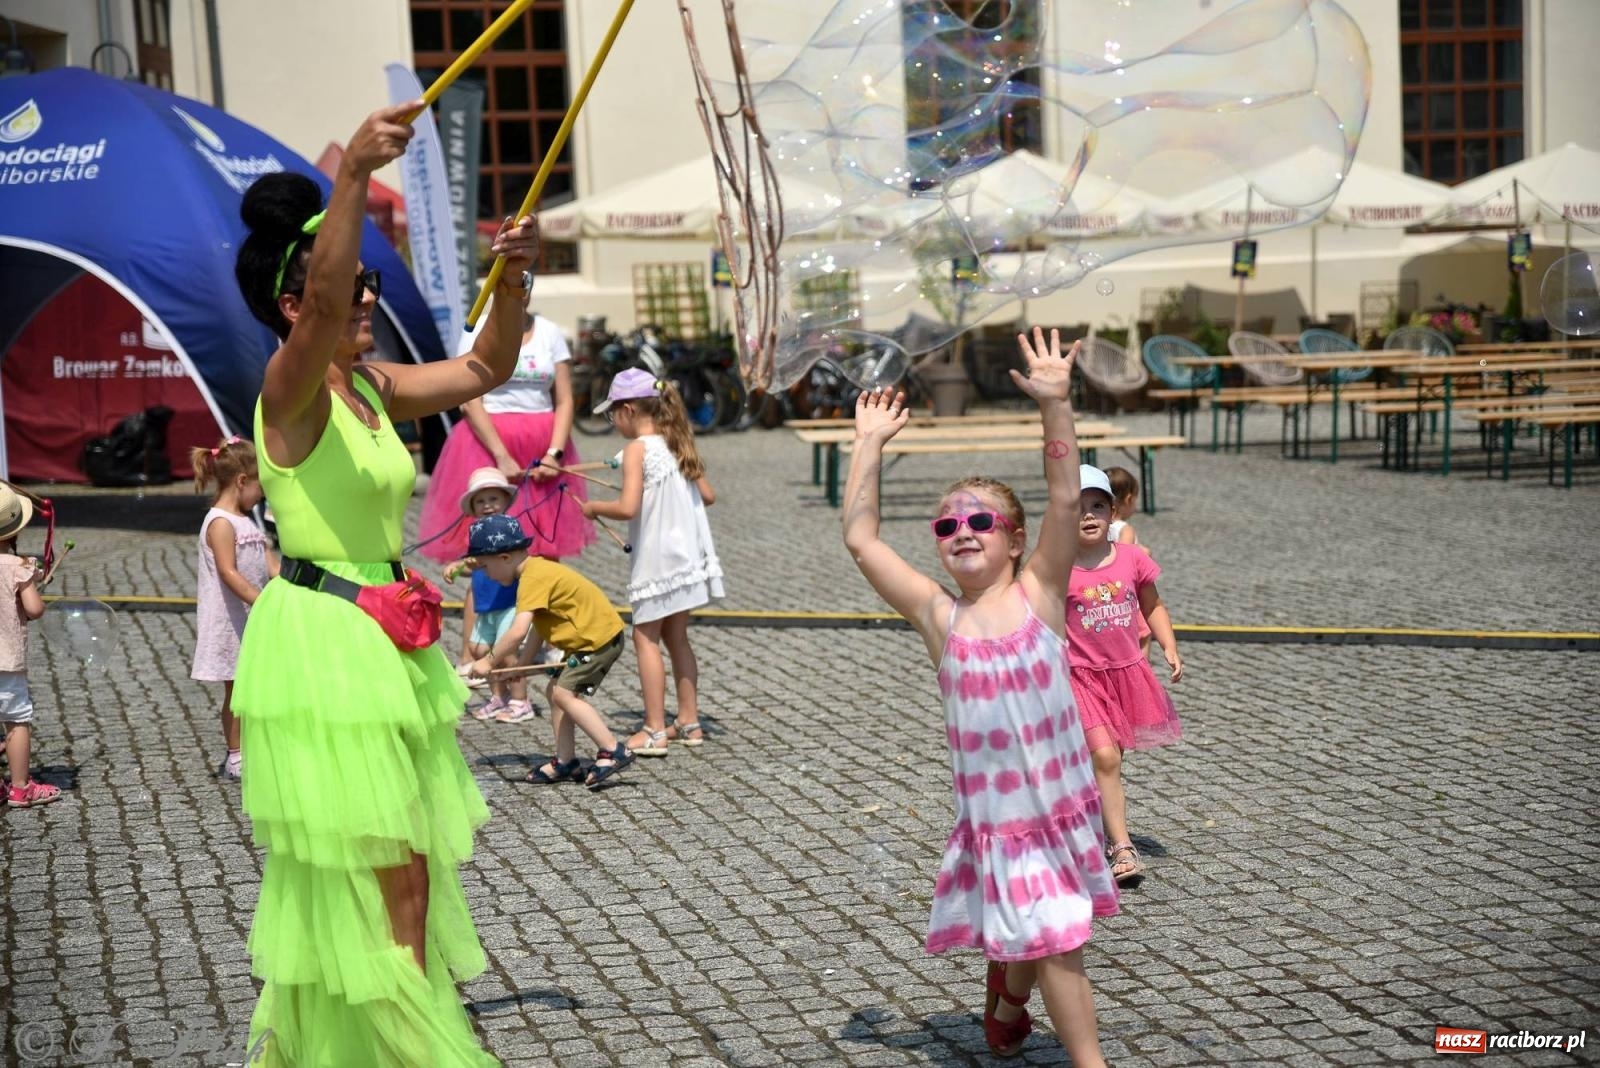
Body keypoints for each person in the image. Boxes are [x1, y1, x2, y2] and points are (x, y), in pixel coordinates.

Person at [229, 101, 539, 1066]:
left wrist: (515, 276)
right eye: (348, 284)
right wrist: (354, 176)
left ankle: (373, 1038)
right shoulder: (287, 390)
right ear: (294, 303)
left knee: (406, 873)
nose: (364, 298)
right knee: (378, 871)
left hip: (386, 638)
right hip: (325, 645)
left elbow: (489, 361)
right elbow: (325, 310)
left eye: (369, 284)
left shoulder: (372, 386)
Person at [841, 329, 1116, 1065]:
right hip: (1000, 822)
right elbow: (862, 540)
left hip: (1059, 807)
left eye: (980, 521)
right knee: (1055, 936)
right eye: (947, 525)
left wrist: (1056, 405)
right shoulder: (940, 616)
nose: (962, 531)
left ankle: (1006, 1002)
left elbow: (1064, 496)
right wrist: (869, 442)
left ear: (1017, 540)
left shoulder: (1041, 595)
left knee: (1042, 933)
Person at [581, 369, 722, 757]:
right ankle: (689, 722)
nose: (614, 423)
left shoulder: (637, 450)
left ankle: (655, 729)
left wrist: (594, 508)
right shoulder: (677, 442)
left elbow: (627, 508)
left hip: (658, 560)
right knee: (677, 638)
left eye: (613, 415)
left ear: (627, 410)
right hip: (687, 557)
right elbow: (707, 495)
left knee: (646, 638)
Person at [1067, 464, 1184, 886]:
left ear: (1112, 511)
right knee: (1105, 756)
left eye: (1097, 505)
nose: (1088, 515)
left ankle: (1088, 822)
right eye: (1078, 508)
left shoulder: (1132, 558)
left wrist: (1167, 644)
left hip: (1125, 673)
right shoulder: (1056, 568)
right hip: (1078, 676)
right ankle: (1122, 846)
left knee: (1111, 758)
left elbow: (1153, 605)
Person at [460, 514, 633, 790]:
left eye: (485, 566)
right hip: (586, 640)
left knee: (564, 694)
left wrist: (487, 662)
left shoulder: (533, 578)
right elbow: (540, 628)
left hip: (597, 640)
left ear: (505, 558)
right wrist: (522, 666)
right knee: (555, 692)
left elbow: (517, 632)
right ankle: (566, 761)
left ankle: (612, 750)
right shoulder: (533, 573)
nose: (486, 575)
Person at [417, 311, 594, 564]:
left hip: (542, 446)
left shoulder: (549, 331)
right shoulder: (477, 329)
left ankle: (537, 604)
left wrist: (555, 453)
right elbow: (468, 399)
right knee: (488, 554)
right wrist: (501, 456)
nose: (521, 292)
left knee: (544, 553)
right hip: (487, 443)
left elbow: (565, 399)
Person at [189, 435, 275, 781]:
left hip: (254, 616)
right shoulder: (220, 522)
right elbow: (228, 572)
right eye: (260, 487)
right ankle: (236, 754)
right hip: (231, 621)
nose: (262, 495)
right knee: (237, 690)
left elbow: (270, 563)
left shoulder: (246, 519)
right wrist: (263, 600)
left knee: (257, 685)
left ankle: (257, 746)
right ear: (242, 481)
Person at [453, 468, 538, 723]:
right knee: (479, 650)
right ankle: (498, 697)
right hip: (486, 605)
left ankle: (521, 700)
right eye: (480, 501)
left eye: (493, 499)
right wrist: (456, 567)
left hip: (508, 603)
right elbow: (473, 562)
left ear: (505, 501)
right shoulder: (475, 531)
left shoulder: (509, 530)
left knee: (507, 653)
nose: (487, 506)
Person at [0, 482, 57, 809]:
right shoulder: (18, 567)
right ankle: (20, 787)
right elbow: (34, 609)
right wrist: (32, 585)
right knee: (16, 720)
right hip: (7, 662)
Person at [1102, 466, 1152, 656]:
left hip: (1105, 597)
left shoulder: (1099, 528)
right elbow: (1124, 555)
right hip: (1126, 598)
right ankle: (1142, 674)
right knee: (1143, 634)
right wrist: (1144, 552)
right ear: (1129, 498)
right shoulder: (1125, 529)